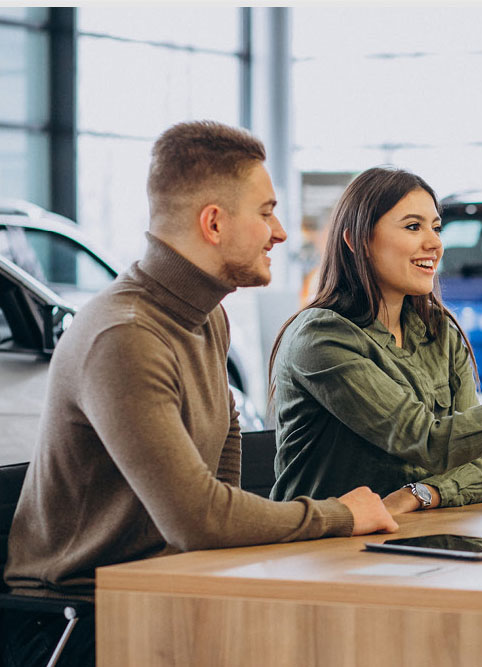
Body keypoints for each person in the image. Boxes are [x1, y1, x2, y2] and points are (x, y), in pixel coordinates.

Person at [2, 121, 398, 666]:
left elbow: (222, 473)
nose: (280, 232)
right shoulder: (125, 335)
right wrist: (340, 515)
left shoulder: (206, 318)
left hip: (168, 589)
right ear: (213, 223)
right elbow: (199, 520)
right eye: (266, 212)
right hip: (75, 623)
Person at [269, 167, 482, 513]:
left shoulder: (439, 331)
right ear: (357, 240)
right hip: (327, 543)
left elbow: (481, 466)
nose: (434, 243)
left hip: (415, 537)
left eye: (436, 228)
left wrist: (418, 495)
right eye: (413, 227)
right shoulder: (321, 336)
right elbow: (429, 442)